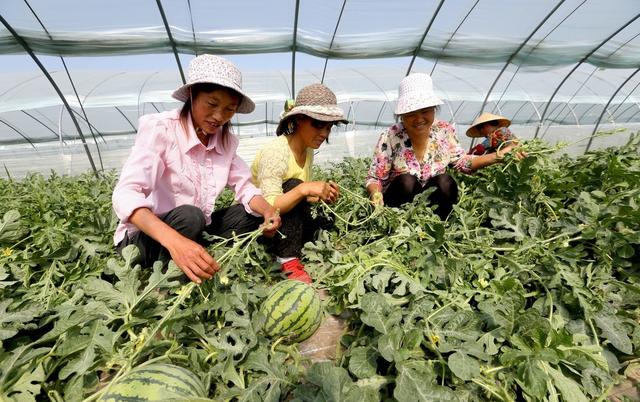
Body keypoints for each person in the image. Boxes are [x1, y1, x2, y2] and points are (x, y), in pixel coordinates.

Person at [112, 54, 281, 285]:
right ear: (192, 95)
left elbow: (244, 187)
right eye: (212, 104)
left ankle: (193, 253)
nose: (219, 117)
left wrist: (268, 211)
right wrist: (176, 243)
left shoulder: (225, 141)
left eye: (229, 109)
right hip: (144, 239)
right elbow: (125, 194)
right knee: (191, 216)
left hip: (194, 229)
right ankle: (170, 283)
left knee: (249, 215)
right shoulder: (161, 130)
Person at [365, 73, 523, 219]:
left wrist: (499, 156)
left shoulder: (444, 131)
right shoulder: (391, 136)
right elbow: (375, 178)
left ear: (434, 110)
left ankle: (438, 227)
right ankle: (400, 227)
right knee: (407, 182)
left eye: (425, 111)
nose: (419, 118)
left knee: (445, 181)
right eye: (411, 113)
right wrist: (376, 196)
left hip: (435, 202)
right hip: (400, 204)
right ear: (402, 115)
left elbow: (462, 162)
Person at [251, 83, 347, 283]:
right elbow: (269, 207)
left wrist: (320, 195)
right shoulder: (276, 151)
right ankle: (286, 258)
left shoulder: (308, 150)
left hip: (284, 221)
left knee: (325, 221)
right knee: (295, 185)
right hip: (259, 223)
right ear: (298, 120)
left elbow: (299, 198)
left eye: (328, 127)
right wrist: (304, 189)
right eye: (318, 125)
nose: (324, 133)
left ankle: (296, 247)